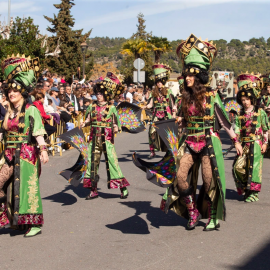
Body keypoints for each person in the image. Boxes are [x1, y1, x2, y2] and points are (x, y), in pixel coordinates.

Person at [0, 54, 48, 237]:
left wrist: (43, 150)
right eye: (9, 91)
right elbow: (3, 133)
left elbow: (38, 131)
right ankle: (13, 218)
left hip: (27, 154)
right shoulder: (9, 113)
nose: (11, 94)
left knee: (28, 188)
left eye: (15, 91)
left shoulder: (32, 110)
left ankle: (33, 223)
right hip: (9, 154)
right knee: (3, 184)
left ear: (22, 93)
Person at [81, 72, 129, 200]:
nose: (99, 96)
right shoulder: (91, 106)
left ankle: (122, 188)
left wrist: (115, 127)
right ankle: (93, 190)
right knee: (92, 164)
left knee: (113, 163)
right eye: (97, 93)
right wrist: (84, 123)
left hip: (107, 139)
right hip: (94, 139)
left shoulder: (111, 107)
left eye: (101, 93)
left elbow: (116, 123)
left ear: (106, 94)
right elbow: (88, 119)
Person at [233, 73, 269, 202]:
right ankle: (245, 188)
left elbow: (266, 130)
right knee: (238, 167)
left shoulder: (260, 112)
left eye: (247, 99)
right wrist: (236, 142)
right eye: (242, 100)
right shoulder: (239, 114)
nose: (245, 102)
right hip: (244, 144)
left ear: (252, 99)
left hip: (256, 144)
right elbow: (236, 130)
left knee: (254, 168)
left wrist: (265, 143)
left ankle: (253, 193)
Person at [143, 64, 176, 158]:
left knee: (169, 133)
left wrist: (174, 113)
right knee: (151, 132)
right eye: (157, 82)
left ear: (163, 82)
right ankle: (152, 152)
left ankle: (172, 152)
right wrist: (145, 107)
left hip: (167, 115)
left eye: (161, 82)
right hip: (156, 115)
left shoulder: (169, 91)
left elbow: (173, 104)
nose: (159, 83)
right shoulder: (153, 93)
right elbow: (150, 104)